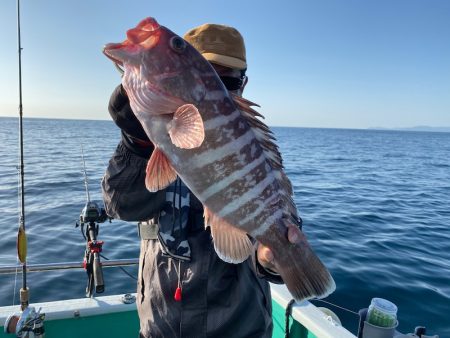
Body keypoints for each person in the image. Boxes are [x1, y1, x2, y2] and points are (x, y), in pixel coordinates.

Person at [102, 23, 301, 338]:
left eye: (228, 81)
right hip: (159, 328)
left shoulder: (250, 155)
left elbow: (277, 237)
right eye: (208, 75)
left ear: (243, 85)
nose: (215, 89)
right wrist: (135, 142)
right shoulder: (153, 138)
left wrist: (271, 260)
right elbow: (121, 206)